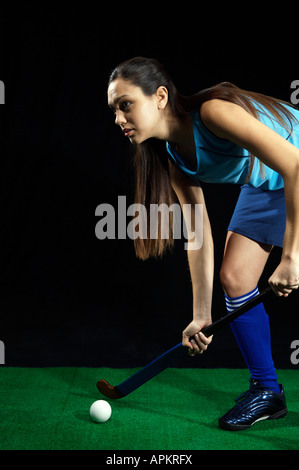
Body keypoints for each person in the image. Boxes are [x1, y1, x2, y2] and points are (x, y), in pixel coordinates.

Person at [107, 57, 299, 431]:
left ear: (160, 96)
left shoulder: (212, 113)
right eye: (114, 110)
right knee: (235, 278)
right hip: (268, 183)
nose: (118, 119)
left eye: (125, 104)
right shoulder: (174, 158)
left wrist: (291, 256)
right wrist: (201, 316)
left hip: (294, 170)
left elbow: (294, 164)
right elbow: (197, 233)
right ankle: (267, 391)